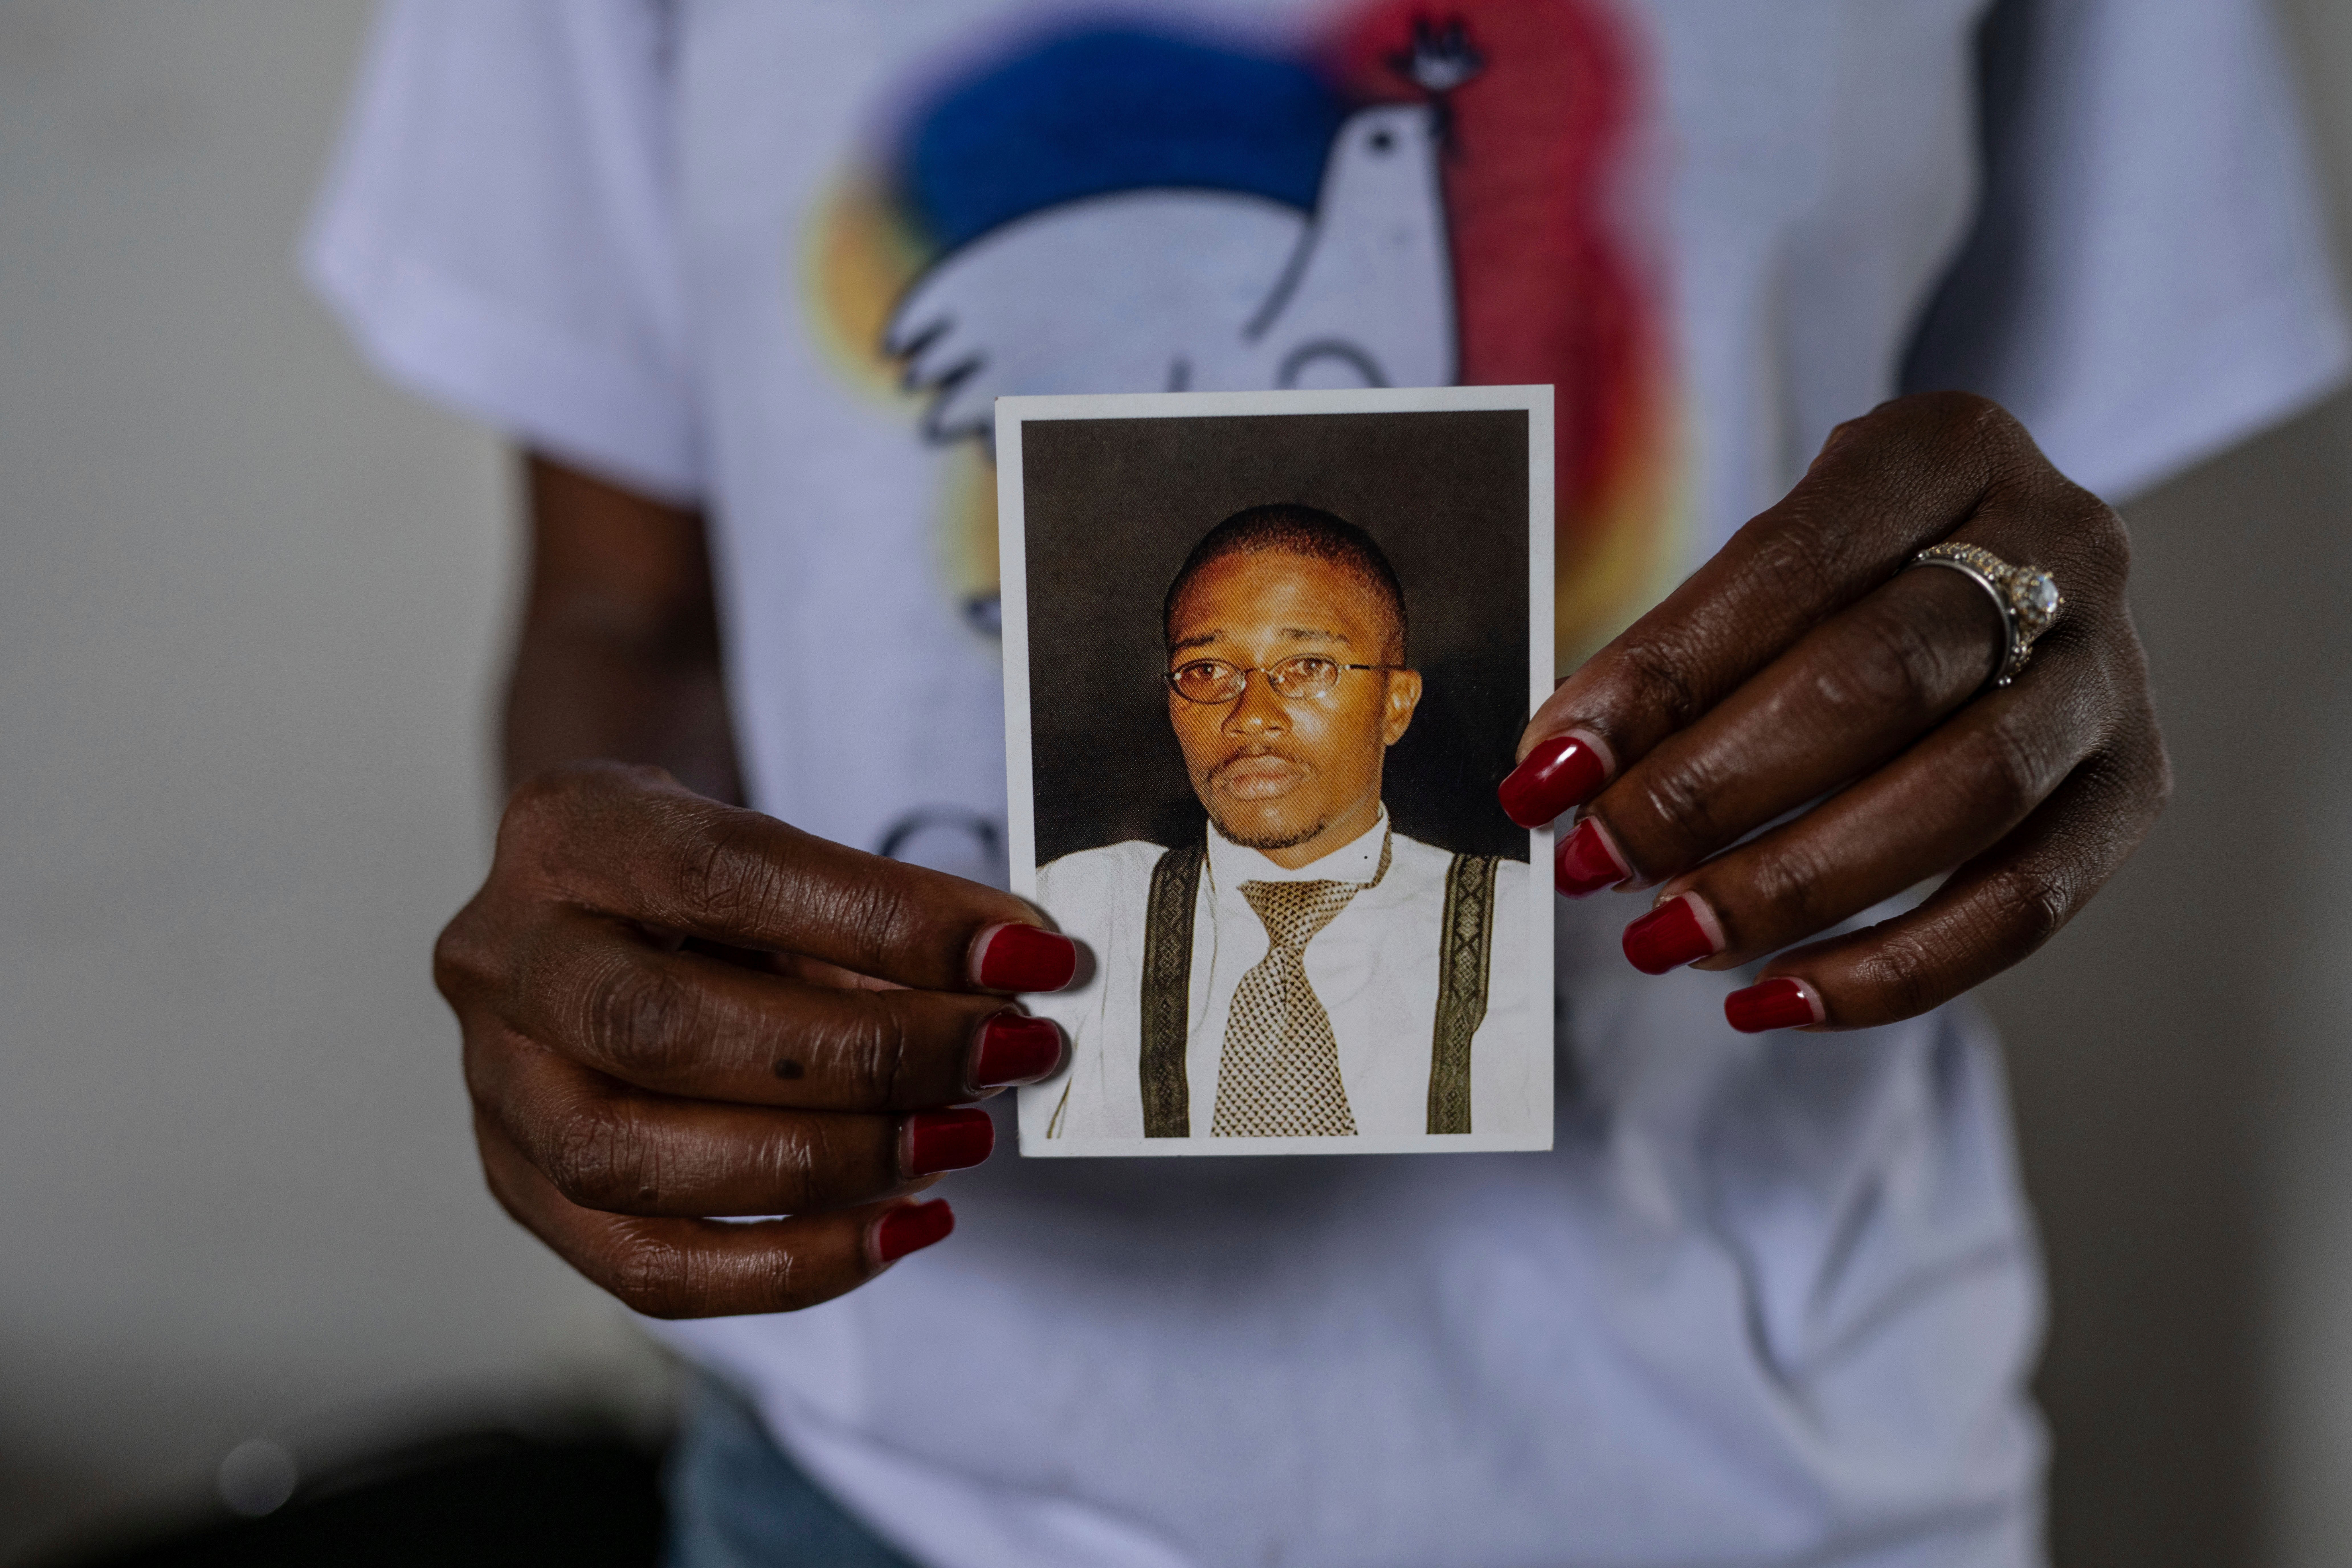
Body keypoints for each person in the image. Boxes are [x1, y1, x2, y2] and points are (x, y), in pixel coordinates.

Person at [305, 1, 2348, 1564]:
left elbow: (2017, 540)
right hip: (889, 1486)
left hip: (1766, 1470)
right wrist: (635, 988)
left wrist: (2016, 627)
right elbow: (624, 614)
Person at [1035, 503, 1532, 1143]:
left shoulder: (1522, 927)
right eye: (1206, 672)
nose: (1251, 715)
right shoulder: (1074, 913)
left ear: (1396, 704)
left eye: (1306, 667)